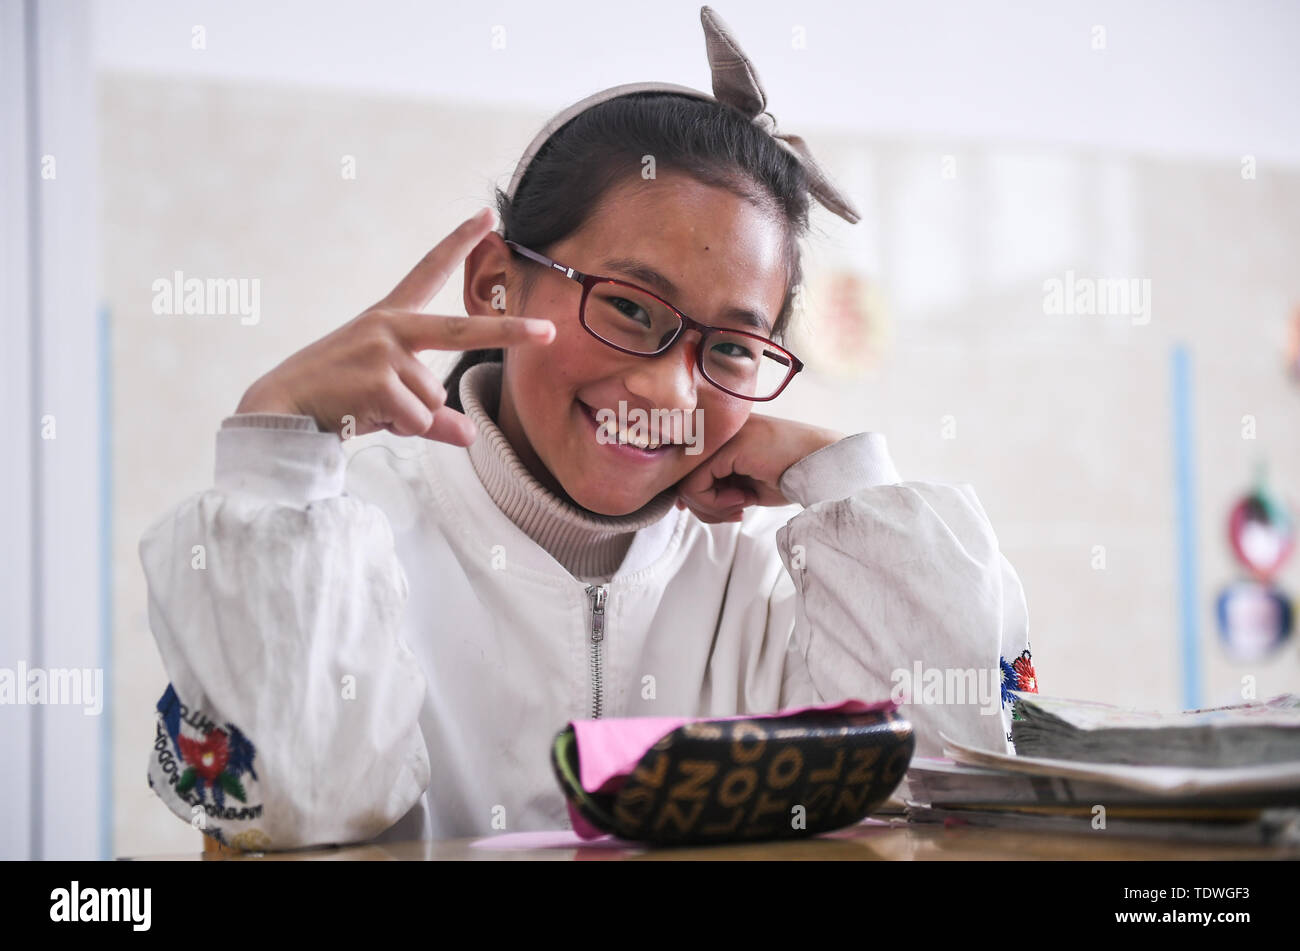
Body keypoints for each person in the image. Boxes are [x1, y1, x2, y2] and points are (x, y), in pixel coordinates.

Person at [140, 6, 1035, 852]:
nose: (667, 387)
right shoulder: (348, 540)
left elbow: (955, 781)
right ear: (496, 281)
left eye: (729, 347)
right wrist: (277, 467)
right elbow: (291, 814)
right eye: (631, 308)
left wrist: (843, 482)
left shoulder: (768, 576)